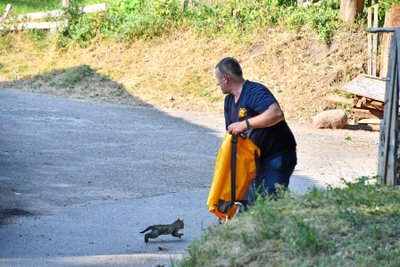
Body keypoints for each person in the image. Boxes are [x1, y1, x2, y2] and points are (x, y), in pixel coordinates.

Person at [215, 57, 297, 203]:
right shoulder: (229, 101)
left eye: (218, 79)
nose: (217, 83)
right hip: (255, 159)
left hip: (277, 155)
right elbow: (233, 134)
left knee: (270, 201)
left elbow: (276, 114)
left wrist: (245, 124)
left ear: (226, 78)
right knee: (248, 203)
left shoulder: (254, 91)